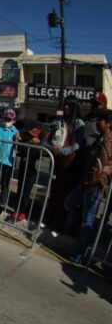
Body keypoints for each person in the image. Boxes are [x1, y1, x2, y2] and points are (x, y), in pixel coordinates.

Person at [65, 109, 112, 265]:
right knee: (70, 203)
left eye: (101, 120)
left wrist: (95, 181)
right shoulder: (101, 138)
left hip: (96, 185)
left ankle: (78, 255)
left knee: (88, 220)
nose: (98, 123)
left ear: (108, 123)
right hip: (86, 182)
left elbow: (104, 165)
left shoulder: (109, 141)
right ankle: (81, 241)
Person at [45, 95, 85, 235]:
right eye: (65, 105)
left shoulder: (79, 123)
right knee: (53, 190)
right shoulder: (59, 120)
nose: (66, 107)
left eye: (69, 105)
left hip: (68, 161)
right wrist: (51, 147)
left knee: (62, 192)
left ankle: (57, 225)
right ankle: (48, 220)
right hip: (55, 158)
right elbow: (50, 136)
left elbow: (78, 144)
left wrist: (63, 151)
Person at [0, 109, 21, 215]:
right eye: (6, 118)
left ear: (14, 120)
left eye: (9, 119)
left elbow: (17, 145)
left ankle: (2, 203)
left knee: (5, 184)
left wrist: (17, 139)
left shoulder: (15, 132)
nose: (7, 121)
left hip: (9, 162)